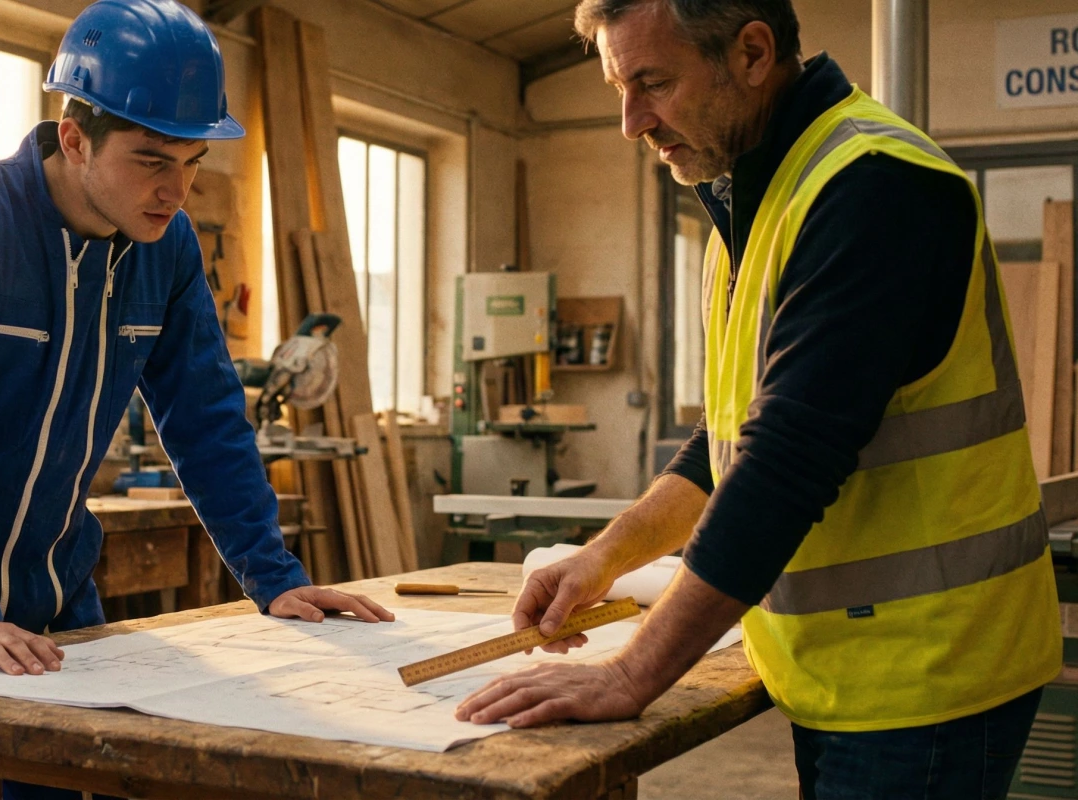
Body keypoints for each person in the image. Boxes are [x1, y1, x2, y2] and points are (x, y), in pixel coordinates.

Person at [455, 1, 1062, 797]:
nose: (632, 122)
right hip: (847, 667)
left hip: (930, 674)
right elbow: (730, 437)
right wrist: (603, 557)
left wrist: (632, 674)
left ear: (750, 52)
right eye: (617, 89)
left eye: (653, 83)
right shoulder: (751, 198)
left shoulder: (875, 187)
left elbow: (787, 462)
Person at [0, 1, 392, 797]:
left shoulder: (168, 249)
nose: (176, 190)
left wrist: (273, 575)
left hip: (51, 584)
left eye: (192, 162)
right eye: (152, 160)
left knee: (65, 782)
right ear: (74, 137)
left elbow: (207, 417)